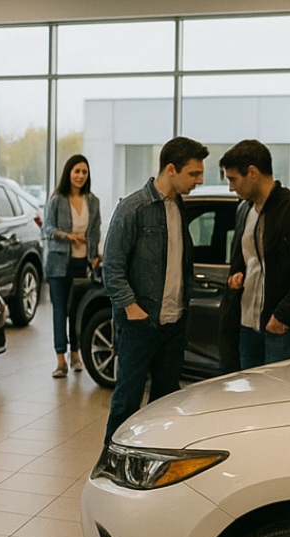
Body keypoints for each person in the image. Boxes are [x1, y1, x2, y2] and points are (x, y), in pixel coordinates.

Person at [102, 136, 209, 445]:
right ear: (171, 169)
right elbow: (112, 267)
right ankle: (110, 466)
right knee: (127, 401)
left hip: (174, 324)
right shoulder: (132, 208)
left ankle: (152, 471)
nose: (199, 181)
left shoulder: (179, 207)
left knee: (165, 404)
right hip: (141, 323)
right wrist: (132, 308)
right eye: (193, 174)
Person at [220, 139, 290, 369]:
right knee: (248, 390)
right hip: (247, 321)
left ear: (253, 173)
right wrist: (236, 275)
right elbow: (244, 259)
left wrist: (283, 315)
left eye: (233, 179)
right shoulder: (244, 209)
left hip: (280, 323)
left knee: (275, 394)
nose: (231, 188)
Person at [44, 154, 101, 378]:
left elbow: (95, 229)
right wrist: (67, 236)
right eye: (76, 171)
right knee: (60, 311)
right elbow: (47, 229)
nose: (80, 176)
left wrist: (95, 255)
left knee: (77, 312)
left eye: (84, 172)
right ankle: (60, 359)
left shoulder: (92, 201)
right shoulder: (57, 199)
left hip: (82, 264)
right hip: (60, 264)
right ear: (69, 173)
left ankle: (75, 354)